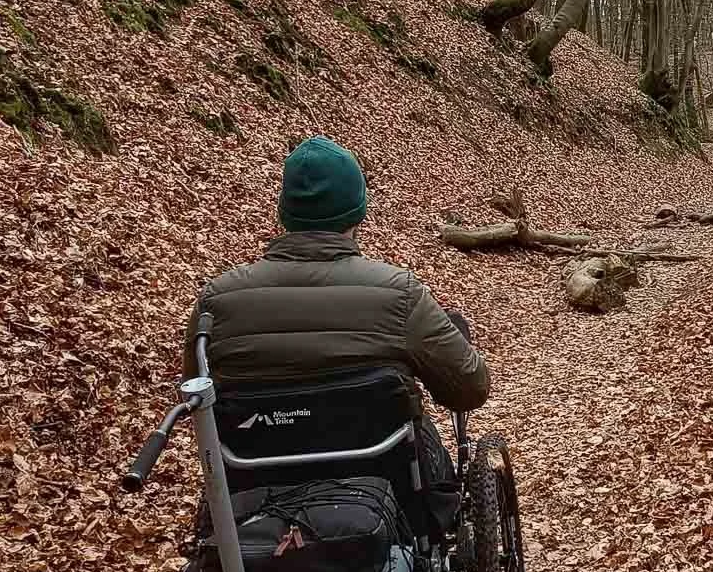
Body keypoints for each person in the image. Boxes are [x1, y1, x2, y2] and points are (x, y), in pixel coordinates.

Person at [183, 135, 489, 534]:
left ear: (285, 212)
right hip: (391, 500)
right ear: (357, 211)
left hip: (254, 495)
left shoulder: (217, 301)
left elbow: (196, 399)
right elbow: (470, 388)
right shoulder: (398, 294)